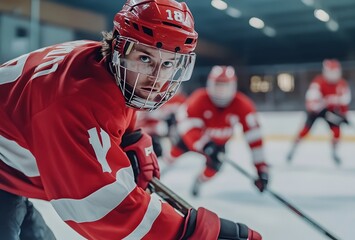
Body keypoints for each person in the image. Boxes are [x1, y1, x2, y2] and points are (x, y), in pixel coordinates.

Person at [0, 0, 262, 239]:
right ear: (118, 47)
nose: (157, 78)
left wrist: (130, 137)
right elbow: (100, 209)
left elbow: (111, 108)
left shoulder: (101, 66)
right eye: (146, 58)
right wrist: (191, 233)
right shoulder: (72, 103)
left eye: (169, 64)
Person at [167, 65, 270, 197]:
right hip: (191, 139)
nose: (221, 91)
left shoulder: (243, 105)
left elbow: (254, 137)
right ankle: (154, 176)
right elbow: (187, 124)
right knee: (171, 155)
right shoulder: (199, 98)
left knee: (212, 170)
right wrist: (205, 144)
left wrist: (261, 169)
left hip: (218, 145)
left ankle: (199, 181)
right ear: (210, 84)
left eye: (225, 86)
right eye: (218, 85)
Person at [286, 59, 351, 165]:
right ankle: (292, 149)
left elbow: (344, 102)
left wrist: (344, 116)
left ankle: (334, 153)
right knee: (304, 131)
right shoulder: (318, 83)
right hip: (315, 112)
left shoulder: (342, 84)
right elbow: (311, 103)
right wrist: (323, 105)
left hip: (329, 111)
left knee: (336, 131)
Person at [135, 88, 187, 159]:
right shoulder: (147, 100)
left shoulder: (179, 99)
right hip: (151, 135)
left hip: (172, 133)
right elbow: (140, 123)